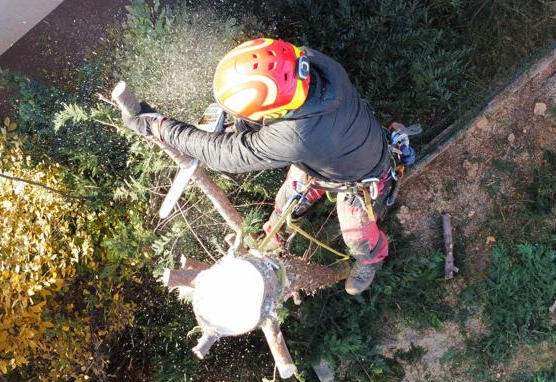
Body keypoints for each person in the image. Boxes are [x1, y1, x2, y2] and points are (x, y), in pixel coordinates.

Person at [122, 37, 393, 295]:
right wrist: (244, 123)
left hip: (360, 177)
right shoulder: (306, 60)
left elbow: (223, 155)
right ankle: (278, 236)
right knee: (286, 201)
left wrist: (158, 126)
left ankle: (371, 259)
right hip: (334, 150)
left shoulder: (298, 136)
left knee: (357, 236)